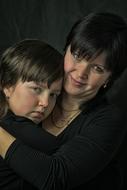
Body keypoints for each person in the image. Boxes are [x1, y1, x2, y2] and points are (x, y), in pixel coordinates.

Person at [0, 12, 127, 190]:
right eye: (77, 56)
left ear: (109, 78)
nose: (80, 74)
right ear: (65, 49)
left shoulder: (108, 119)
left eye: (97, 68)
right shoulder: (30, 96)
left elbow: (55, 178)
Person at [0, 39, 63, 189]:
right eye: (36, 89)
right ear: (7, 86)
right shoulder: (21, 131)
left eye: (54, 94)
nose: (45, 103)